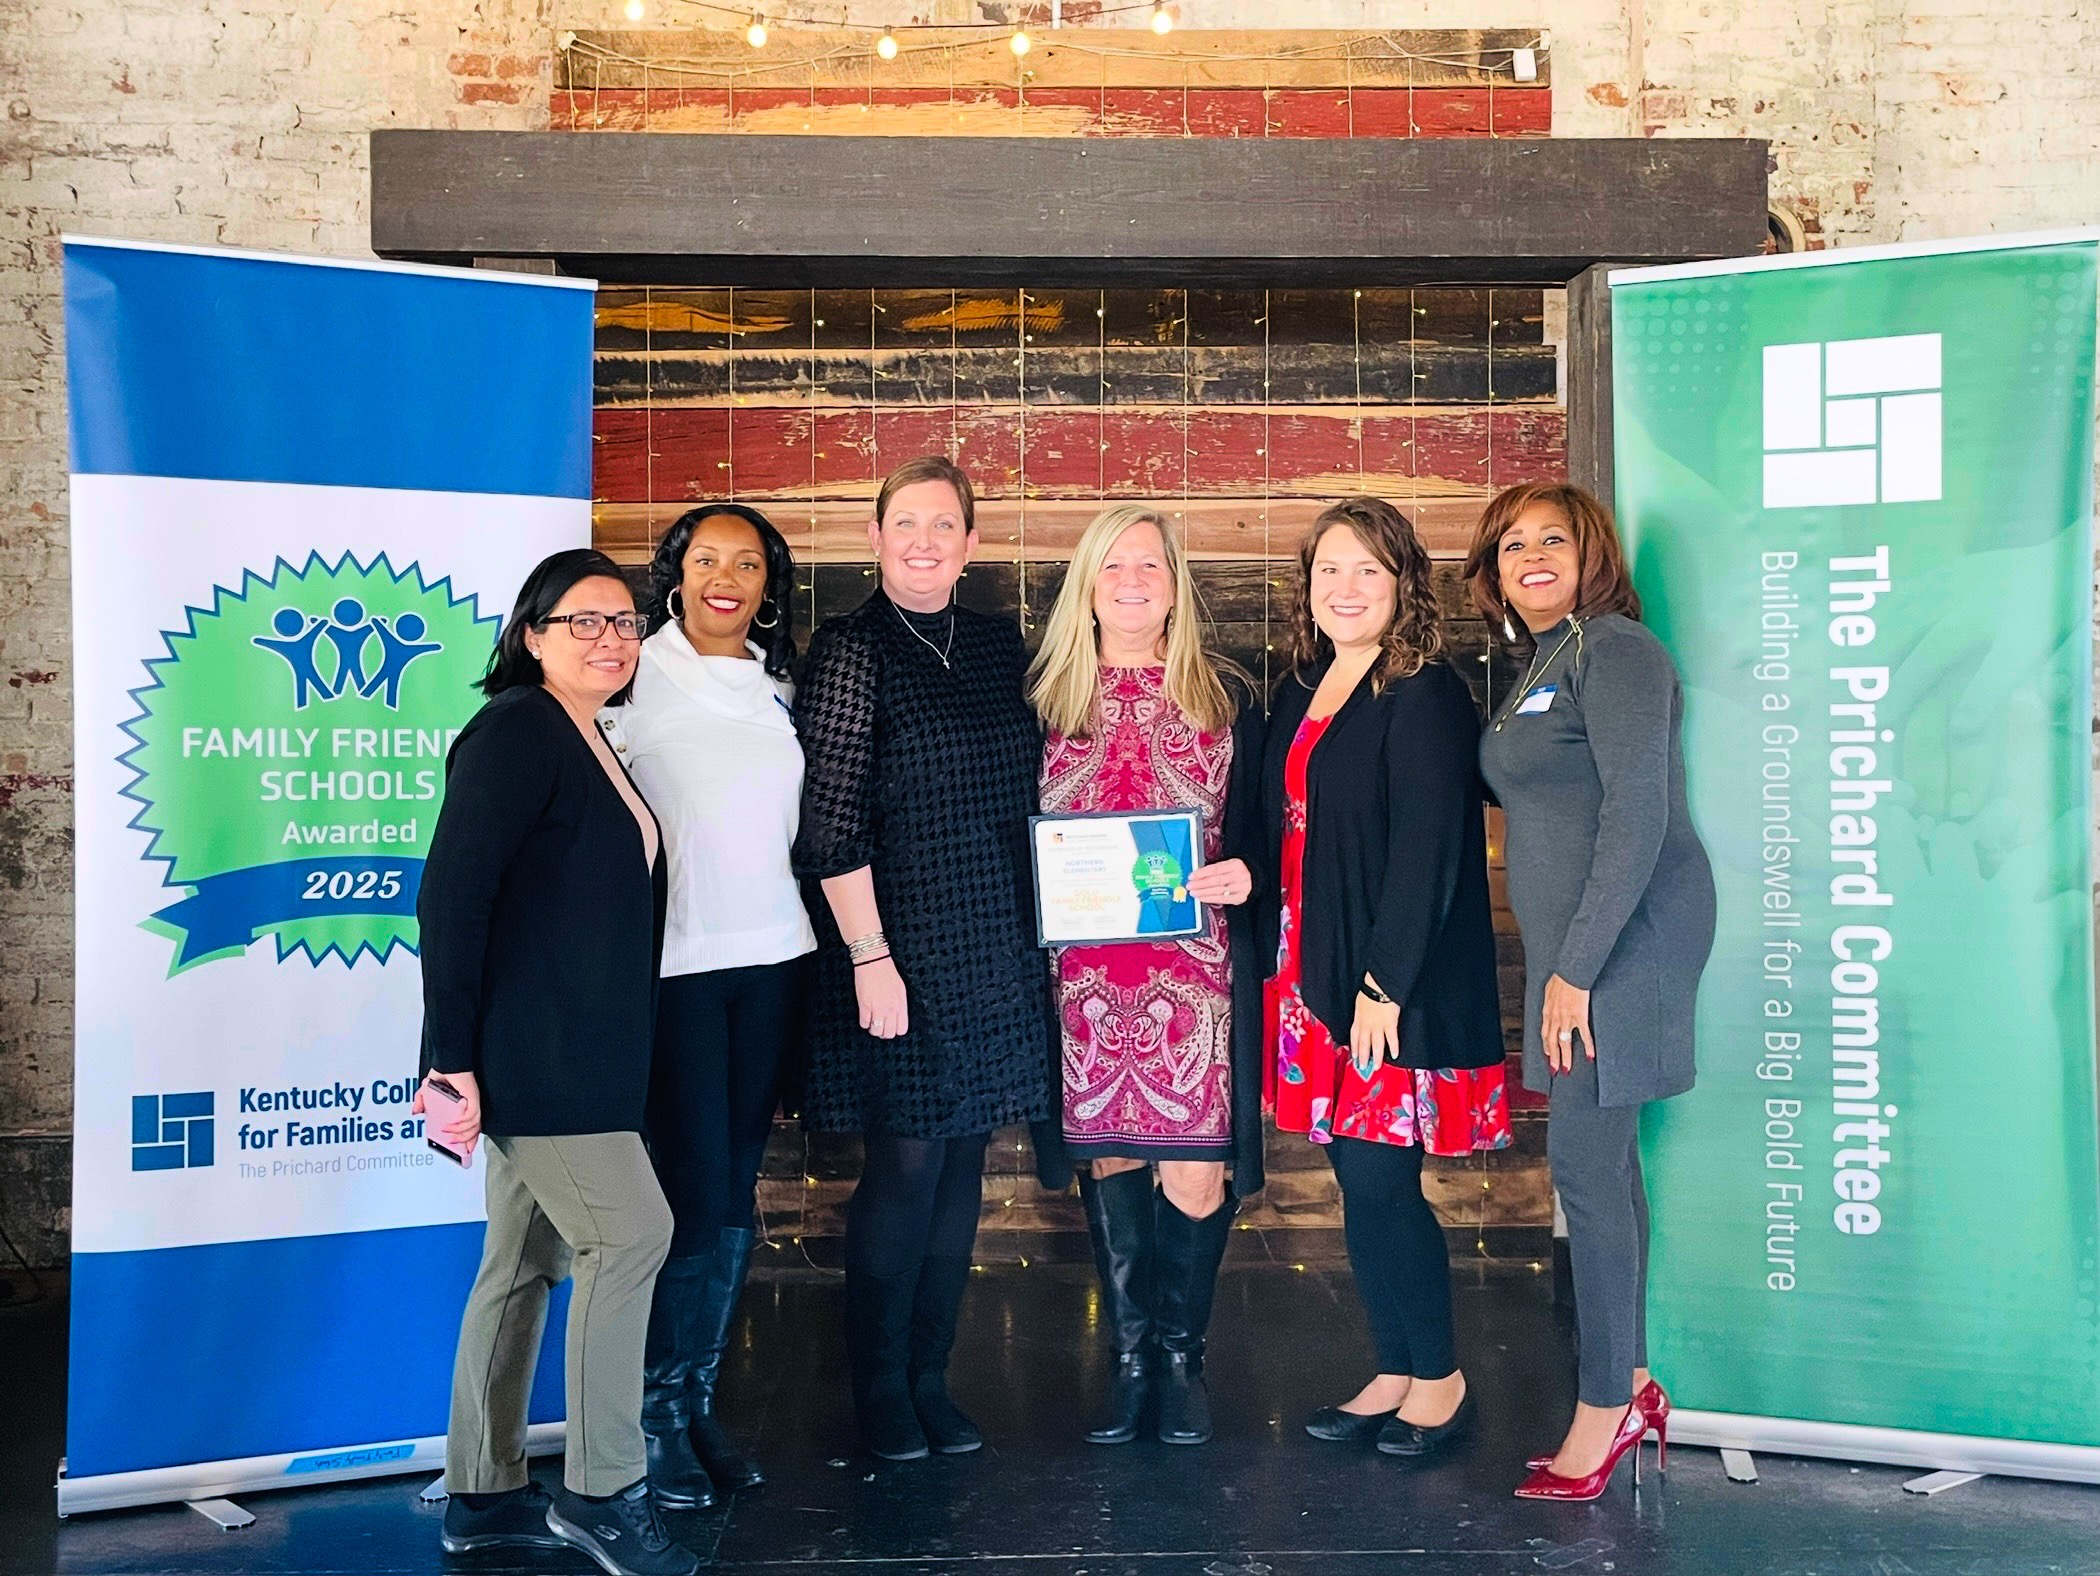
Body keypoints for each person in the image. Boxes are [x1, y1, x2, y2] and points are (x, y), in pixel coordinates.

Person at [415, 549, 695, 1576]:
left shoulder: (592, 736)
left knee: (522, 1261)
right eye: (583, 621)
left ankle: (484, 1493)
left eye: (623, 622)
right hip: (540, 1054)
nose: (609, 639)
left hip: (584, 1048)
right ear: (530, 634)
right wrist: (449, 1057)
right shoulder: (517, 731)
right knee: (634, 1236)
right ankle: (604, 1491)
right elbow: (453, 896)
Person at [792, 455, 1055, 1462]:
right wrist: (870, 957)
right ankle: (879, 1388)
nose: (924, 541)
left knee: (962, 1177)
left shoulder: (996, 643)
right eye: (906, 523)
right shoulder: (853, 651)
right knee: (903, 1172)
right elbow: (828, 826)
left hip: (992, 945)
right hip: (893, 952)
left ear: (971, 542)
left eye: (944, 525)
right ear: (876, 535)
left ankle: (930, 1375)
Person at [1468, 482, 1715, 1503]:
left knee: (1581, 1155)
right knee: (1606, 1160)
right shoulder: (1546, 660)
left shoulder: (1615, 650)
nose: (1530, 556)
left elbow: (1638, 815)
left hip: (1624, 941)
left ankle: (1604, 1405)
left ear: (1591, 551)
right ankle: (1638, 1377)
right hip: (1588, 942)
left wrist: (1575, 969)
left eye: (1551, 539)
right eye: (1511, 543)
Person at [1262, 496, 1511, 1460]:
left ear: (1404, 582)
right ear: (1308, 587)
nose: (1347, 587)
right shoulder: (1307, 686)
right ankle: (1397, 1367)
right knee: (1356, 1183)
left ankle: (1441, 1377)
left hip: (1380, 985)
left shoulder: (1425, 692)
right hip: (1311, 971)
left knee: (1381, 1179)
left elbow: (1428, 855)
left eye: (1369, 568)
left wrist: (1382, 989)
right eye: (1331, 569)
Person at [1030, 504, 1267, 1448]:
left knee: (1198, 1177)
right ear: (1087, 582)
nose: (1132, 581)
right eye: (1113, 565)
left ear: (1177, 585)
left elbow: (1273, 832)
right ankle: (1134, 1364)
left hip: (1196, 981)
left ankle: (1181, 1356)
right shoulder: (1043, 698)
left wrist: (1252, 875)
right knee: (1115, 1158)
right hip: (1084, 982)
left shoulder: (1229, 696)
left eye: (1151, 566)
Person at [600, 503, 814, 1509]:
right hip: (674, 973)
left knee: (735, 1189)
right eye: (706, 560)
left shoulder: (781, 688)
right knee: (681, 1193)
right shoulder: (632, 676)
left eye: (748, 563)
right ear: (675, 574)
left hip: (774, 964)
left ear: (769, 582)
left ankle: (692, 1403)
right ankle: (649, 1412)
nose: (727, 577)